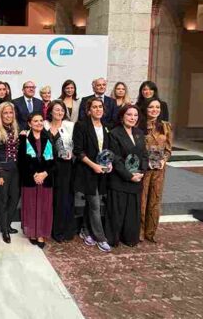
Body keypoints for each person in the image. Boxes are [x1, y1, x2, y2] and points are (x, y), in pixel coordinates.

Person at [105, 104, 148, 248]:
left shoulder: (140, 133)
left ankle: (130, 238)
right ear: (122, 116)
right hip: (120, 180)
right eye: (129, 114)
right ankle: (113, 239)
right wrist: (129, 175)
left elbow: (144, 155)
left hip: (137, 179)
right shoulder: (114, 134)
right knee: (117, 213)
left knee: (132, 214)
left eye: (135, 115)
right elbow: (115, 158)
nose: (132, 118)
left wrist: (141, 172)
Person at [72, 97, 112, 252]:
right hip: (87, 171)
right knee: (95, 204)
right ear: (88, 110)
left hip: (102, 172)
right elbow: (78, 151)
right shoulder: (81, 126)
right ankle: (100, 238)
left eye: (100, 106)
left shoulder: (106, 127)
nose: (98, 109)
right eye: (94, 107)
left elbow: (108, 150)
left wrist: (109, 164)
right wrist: (94, 165)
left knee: (92, 203)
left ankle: (85, 230)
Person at [18, 112, 55, 249]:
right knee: (31, 206)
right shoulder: (24, 139)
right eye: (35, 121)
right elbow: (22, 162)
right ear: (29, 123)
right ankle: (32, 233)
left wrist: (44, 174)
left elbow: (53, 161)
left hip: (46, 179)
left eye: (41, 120)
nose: (39, 123)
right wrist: (34, 174)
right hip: (30, 179)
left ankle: (40, 234)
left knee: (44, 207)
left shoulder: (48, 138)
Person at [138, 98, 172, 242]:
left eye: (157, 107)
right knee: (142, 200)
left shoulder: (166, 126)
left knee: (155, 200)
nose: (155, 110)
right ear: (146, 109)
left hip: (159, 169)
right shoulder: (140, 125)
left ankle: (150, 233)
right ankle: (139, 232)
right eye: (151, 107)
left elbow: (169, 149)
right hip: (144, 168)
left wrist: (164, 160)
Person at [44, 100, 75, 243]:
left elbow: (75, 145)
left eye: (62, 110)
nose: (60, 112)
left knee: (61, 199)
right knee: (47, 198)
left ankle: (59, 231)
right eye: (57, 110)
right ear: (50, 111)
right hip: (47, 167)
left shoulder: (70, 126)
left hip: (64, 167)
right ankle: (45, 228)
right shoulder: (43, 125)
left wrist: (72, 154)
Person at [0, 102, 20, 244]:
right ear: (0, 115)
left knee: (15, 198)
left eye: (10, 113)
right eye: (5, 113)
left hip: (15, 169)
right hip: (3, 169)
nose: (8, 115)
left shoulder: (15, 128)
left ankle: (7, 224)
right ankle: (4, 229)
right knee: (3, 200)